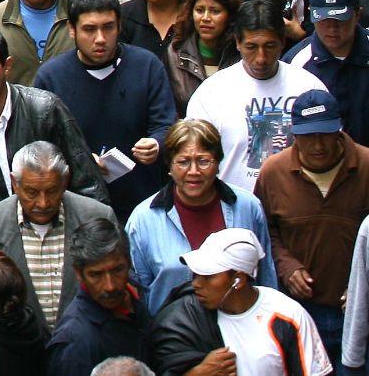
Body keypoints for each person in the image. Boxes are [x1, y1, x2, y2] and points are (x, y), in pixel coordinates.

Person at [0, 25, 106, 251]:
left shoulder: (46, 110)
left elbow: (87, 183)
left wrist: (97, 247)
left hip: (57, 234)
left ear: (7, 66)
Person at [0, 141, 119, 340]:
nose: (42, 203)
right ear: (15, 183)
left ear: (65, 180)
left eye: (51, 191)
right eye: (32, 193)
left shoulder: (98, 216)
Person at [36, 0, 178, 220]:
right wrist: (78, 159)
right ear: (72, 29)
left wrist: (156, 144)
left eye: (108, 28)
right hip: (77, 209)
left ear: (119, 25)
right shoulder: (51, 78)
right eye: (90, 29)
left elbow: (166, 124)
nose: (100, 39)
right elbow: (41, 143)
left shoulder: (147, 65)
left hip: (143, 205)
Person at [255, 88, 369, 363]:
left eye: (325, 135)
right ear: (294, 133)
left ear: (339, 129)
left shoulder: (366, 166)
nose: (318, 146)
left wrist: (362, 288)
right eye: (308, 136)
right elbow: (265, 230)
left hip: (357, 311)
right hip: (301, 309)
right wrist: (286, 265)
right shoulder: (273, 172)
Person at [128, 118, 279, 315]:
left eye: (203, 161)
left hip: (241, 330)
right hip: (174, 336)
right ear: (169, 167)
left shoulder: (247, 206)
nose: (193, 171)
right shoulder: (143, 220)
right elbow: (140, 296)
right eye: (183, 162)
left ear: (218, 163)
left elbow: (266, 279)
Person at [149, 228, 330, 376]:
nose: (196, 284)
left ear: (239, 280)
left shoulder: (288, 314)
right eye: (195, 274)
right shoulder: (184, 318)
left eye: (208, 276)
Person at [186, 0, 326, 188]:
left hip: (295, 209)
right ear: (237, 42)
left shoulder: (308, 87)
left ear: (283, 42)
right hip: (234, 209)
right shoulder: (211, 94)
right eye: (251, 47)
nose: (261, 58)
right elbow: (194, 159)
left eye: (269, 46)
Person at [46, 218, 152, 376]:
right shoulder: (76, 342)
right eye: (96, 275)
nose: (110, 286)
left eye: (117, 270)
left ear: (129, 264)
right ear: (79, 273)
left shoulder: (136, 302)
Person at [288, 0, 369, 145]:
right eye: (324, 20)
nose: (332, 28)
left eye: (340, 19)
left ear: (357, 14)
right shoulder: (296, 62)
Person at [167, 0, 245, 114]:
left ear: (229, 15)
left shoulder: (241, 53)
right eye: (200, 10)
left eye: (215, 11)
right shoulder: (175, 53)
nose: (205, 18)